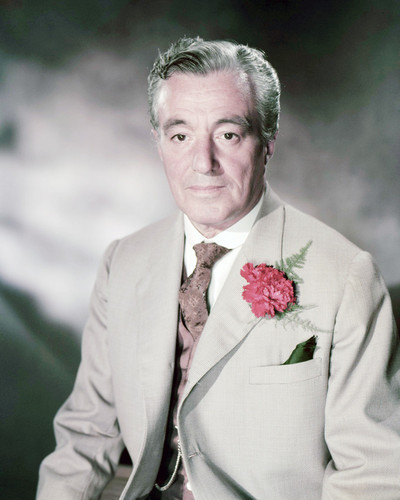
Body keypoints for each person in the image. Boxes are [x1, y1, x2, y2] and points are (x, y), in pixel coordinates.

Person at [37, 37, 400, 499]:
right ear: (158, 142)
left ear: (267, 142)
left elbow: (373, 473)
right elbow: (85, 437)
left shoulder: (346, 276)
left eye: (228, 135)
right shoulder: (122, 262)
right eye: (181, 136)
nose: (203, 163)